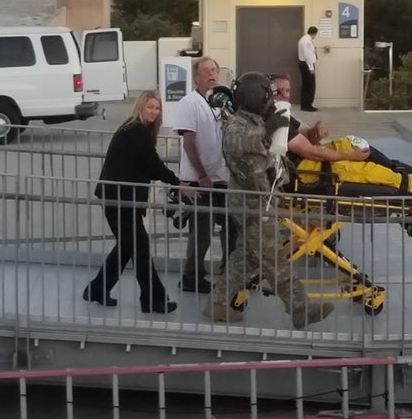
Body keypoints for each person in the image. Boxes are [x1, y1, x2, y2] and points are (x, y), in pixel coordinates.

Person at [204, 72, 335, 330]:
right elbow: (240, 145)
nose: (270, 99)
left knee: (247, 258)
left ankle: (217, 304)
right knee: (275, 259)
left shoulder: (253, 121)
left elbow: (264, 154)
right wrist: (269, 127)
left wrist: (283, 167)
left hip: (259, 200)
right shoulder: (238, 124)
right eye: (267, 94)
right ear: (256, 96)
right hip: (253, 204)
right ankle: (301, 309)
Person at [84, 91, 179, 315]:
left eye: (157, 108)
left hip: (121, 198)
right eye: (150, 107)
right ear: (140, 108)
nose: (154, 112)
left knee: (128, 247)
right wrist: (177, 182)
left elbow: (146, 164)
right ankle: (154, 300)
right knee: (140, 248)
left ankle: (96, 290)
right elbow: (152, 164)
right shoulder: (137, 131)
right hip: (119, 200)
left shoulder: (137, 129)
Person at [271, 73, 412, 180]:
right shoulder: (274, 119)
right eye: (280, 91)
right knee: (365, 163)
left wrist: (318, 127)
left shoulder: (284, 114)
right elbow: (310, 151)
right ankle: (410, 180)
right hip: (305, 167)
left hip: (311, 159)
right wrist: (350, 157)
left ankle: (408, 173)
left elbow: (309, 135)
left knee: (359, 145)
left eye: (287, 91)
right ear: (270, 92)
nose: (285, 96)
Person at [175, 56, 237, 294]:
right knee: (201, 233)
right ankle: (192, 277)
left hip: (222, 179)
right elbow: (189, 143)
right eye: (207, 71)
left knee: (232, 227)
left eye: (215, 70)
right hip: (200, 180)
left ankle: (229, 271)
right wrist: (201, 175)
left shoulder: (220, 103)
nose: (212, 74)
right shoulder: (189, 103)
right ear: (197, 76)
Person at [297, 25, 318, 111]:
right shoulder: (307, 41)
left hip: (304, 64)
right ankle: (308, 105)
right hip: (307, 65)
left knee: (306, 86)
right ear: (314, 33)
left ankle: (304, 105)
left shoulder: (303, 39)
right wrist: (311, 67)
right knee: (310, 86)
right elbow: (308, 55)